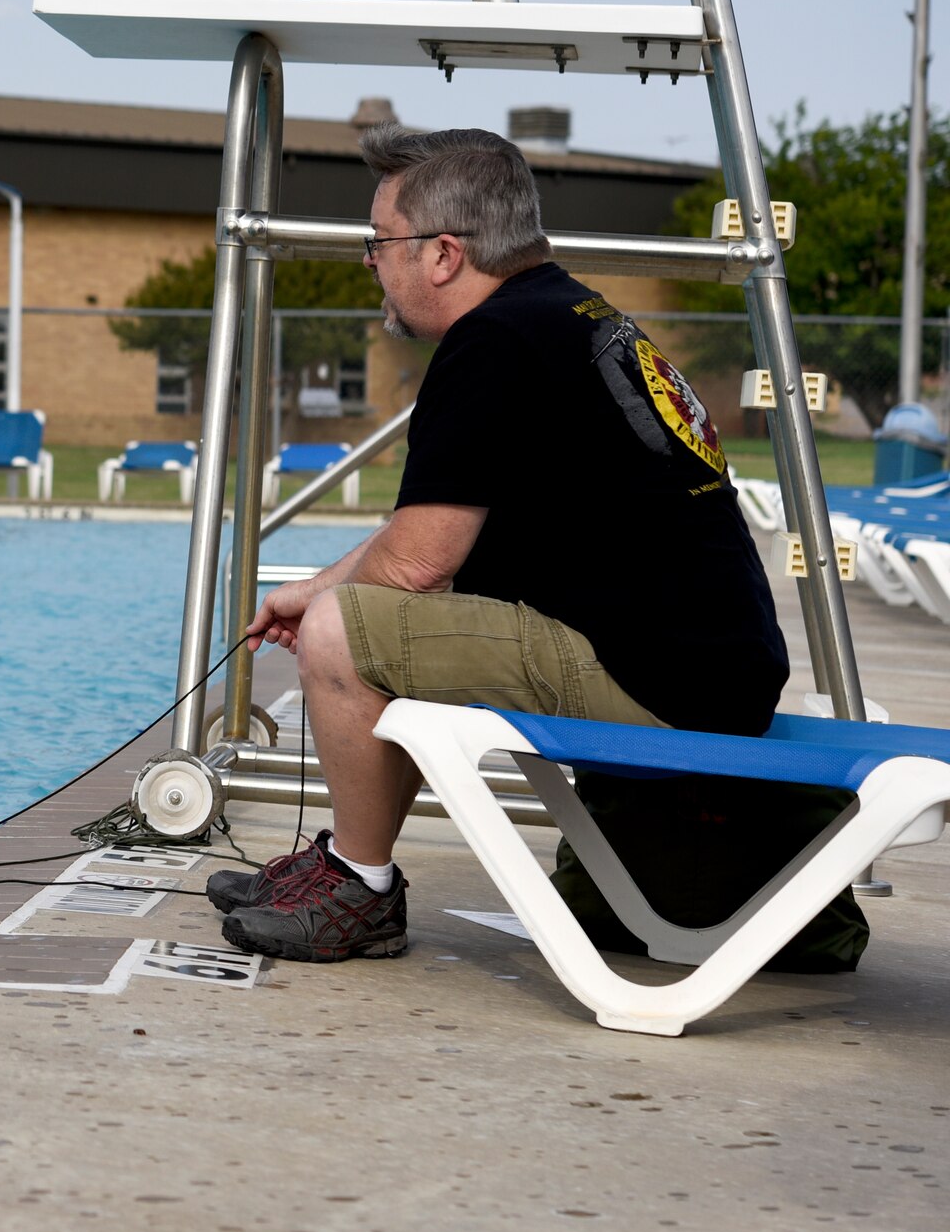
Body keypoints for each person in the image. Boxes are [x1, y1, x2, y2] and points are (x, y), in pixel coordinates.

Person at [215, 122, 808, 965]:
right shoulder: (567, 315)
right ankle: (353, 868)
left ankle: (360, 887)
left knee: (343, 631)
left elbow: (417, 563)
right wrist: (317, 581)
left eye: (378, 241)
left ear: (444, 253)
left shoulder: (492, 342)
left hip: (664, 694)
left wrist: (317, 602)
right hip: (708, 676)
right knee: (372, 617)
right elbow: (428, 541)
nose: (369, 261)